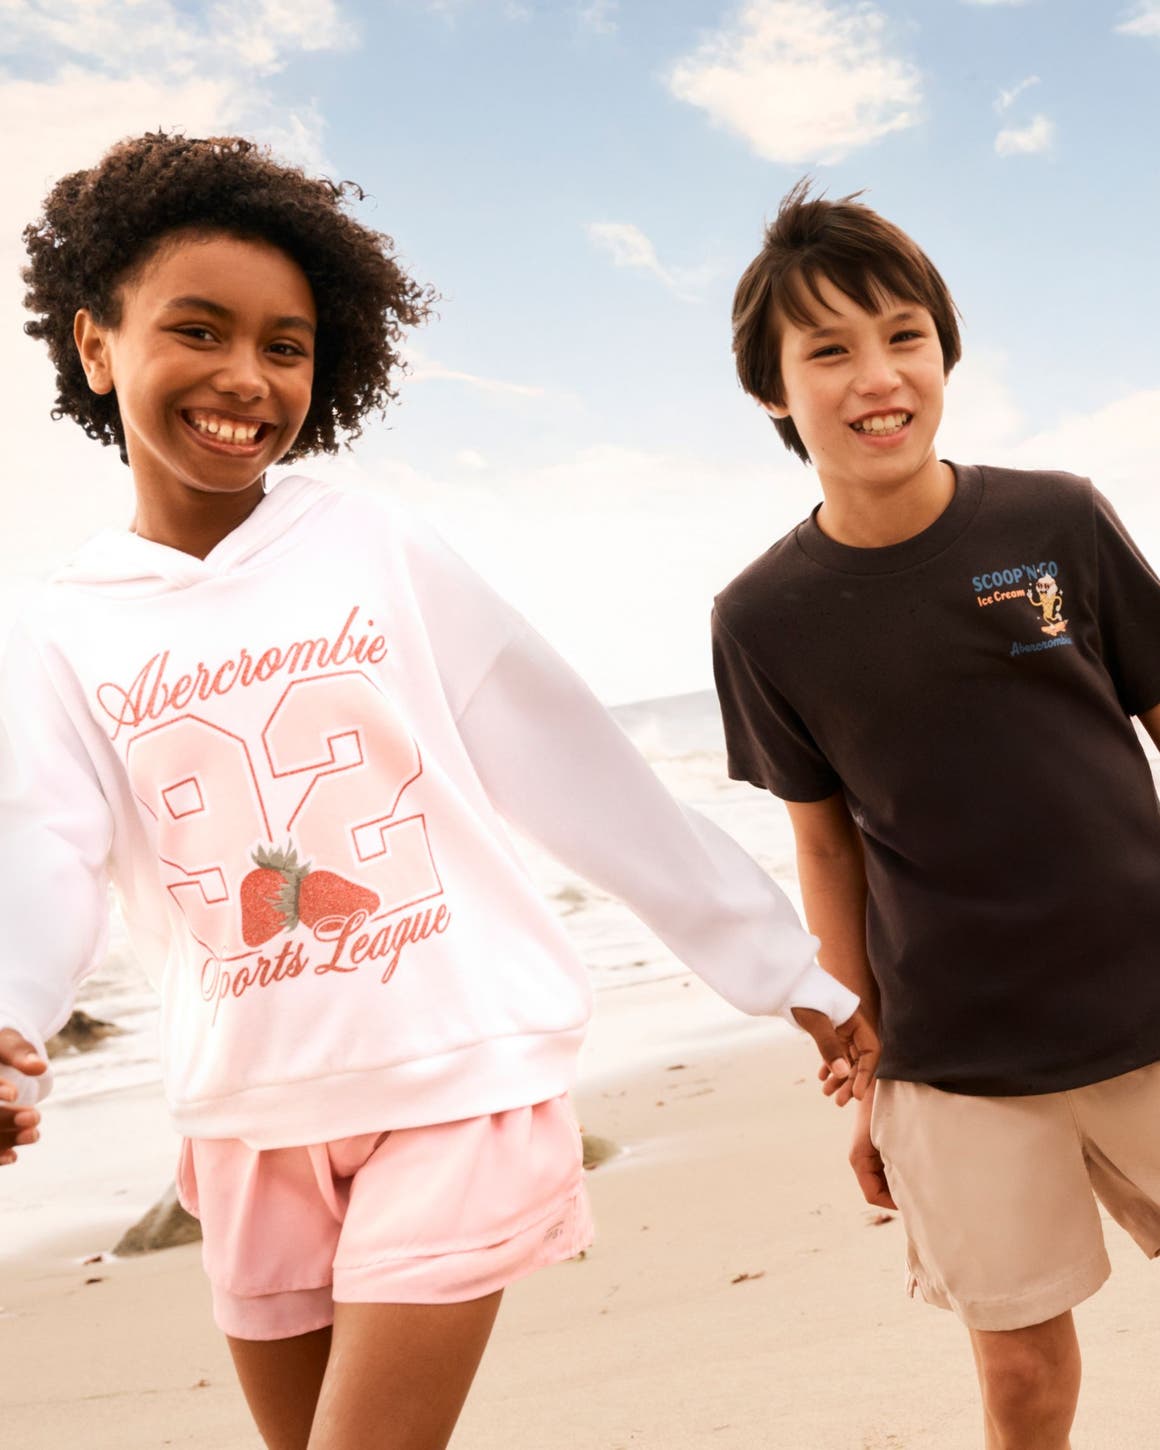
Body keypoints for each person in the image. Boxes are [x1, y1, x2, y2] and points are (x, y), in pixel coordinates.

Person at [0, 134, 874, 1450]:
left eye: (286, 345)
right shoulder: (63, 626)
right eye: (198, 329)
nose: (246, 376)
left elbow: (575, 764)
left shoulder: (372, 541)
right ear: (96, 343)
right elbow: (45, 842)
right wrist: (11, 1013)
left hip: (457, 1076)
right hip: (245, 1117)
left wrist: (787, 973)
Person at [712, 178, 1160, 1450]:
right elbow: (823, 841)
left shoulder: (1054, 517)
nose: (876, 377)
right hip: (955, 1056)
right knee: (1020, 1380)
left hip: (1147, 994)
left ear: (941, 352)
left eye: (903, 336)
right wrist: (855, 1062)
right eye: (828, 350)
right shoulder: (761, 617)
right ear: (771, 391)